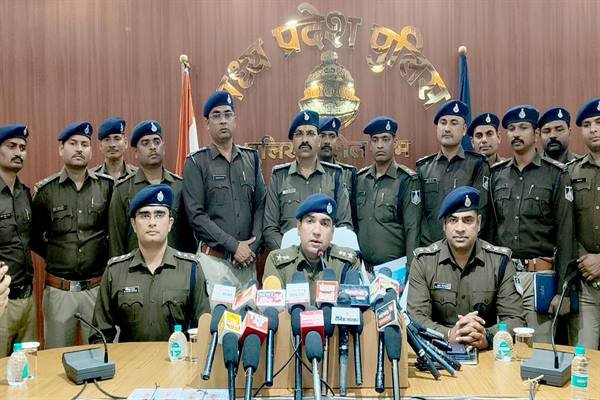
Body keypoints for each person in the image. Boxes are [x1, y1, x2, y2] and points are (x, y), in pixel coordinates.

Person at [489, 105, 576, 343]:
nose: (516, 134)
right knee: (503, 346)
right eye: (511, 129)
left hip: (540, 277)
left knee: (540, 348)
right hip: (505, 276)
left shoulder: (555, 174)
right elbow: (491, 232)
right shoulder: (497, 174)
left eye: (523, 128)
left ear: (536, 133)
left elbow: (566, 235)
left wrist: (563, 290)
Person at [408, 186, 524, 351]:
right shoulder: (423, 262)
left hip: (485, 353)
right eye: (453, 220)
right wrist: (449, 334)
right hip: (438, 351)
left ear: (479, 223)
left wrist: (486, 336)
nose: (460, 228)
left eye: (468, 220)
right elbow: (415, 319)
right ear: (444, 225)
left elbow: (515, 320)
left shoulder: (500, 262)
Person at [91, 184, 209, 343]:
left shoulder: (191, 269)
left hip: (177, 358)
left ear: (170, 223)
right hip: (130, 359)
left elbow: (203, 331)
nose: (152, 222)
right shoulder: (115, 271)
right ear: (134, 224)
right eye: (145, 215)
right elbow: (99, 336)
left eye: (159, 215)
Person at [31, 122, 113, 348]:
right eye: (73, 143)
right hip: (59, 291)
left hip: (96, 290)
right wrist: (57, 255)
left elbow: (114, 232)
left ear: (91, 150)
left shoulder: (106, 187)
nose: (79, 149)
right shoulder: (46, 191)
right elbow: (33, 236)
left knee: (99, 354)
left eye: (85, 144)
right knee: (56, 357)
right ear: (61, 149)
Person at [183, 91, 266, 290]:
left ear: (234, 120)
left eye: (227, 114)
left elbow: (261, 206)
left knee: (250, 312)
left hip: (247, 263)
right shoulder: (196, 162)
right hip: (214, 264)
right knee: (215, 313)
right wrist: (234, 246)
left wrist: (250, 248)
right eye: (216, 115)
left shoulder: (251, 159)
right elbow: (196, 216)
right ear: (207, 123)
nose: (223, 120)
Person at [263, 110, 353, 251]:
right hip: (288, 259)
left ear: (319, 140)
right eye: (299, 134)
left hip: (326, 260)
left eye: (310, 133)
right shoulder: (279, 177)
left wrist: (327, 256)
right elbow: (270, 228)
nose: (305, 140)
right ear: (293, 141)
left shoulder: (335, 176)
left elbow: (345, 226)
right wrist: (289, 256)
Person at [109, 120, 194, 257]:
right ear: (136, 152)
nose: (153, 147)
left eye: (156, 142)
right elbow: (116, 241)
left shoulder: (180, 186)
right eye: (145, 143)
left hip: (175, 267)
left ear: (163, 147)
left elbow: (189, 237)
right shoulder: (123, 190)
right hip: (135, 267)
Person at [417, 100, 490, 246]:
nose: (447, 128)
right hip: (431, 249)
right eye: (443, 123)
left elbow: (481, 211)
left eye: (454, 123)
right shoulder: (424, 168)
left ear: (464, 130)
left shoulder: (477, 165)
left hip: (465, 249)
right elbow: (419, 216)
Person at [263, 193, 361, 302]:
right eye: (310, 221)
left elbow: (354, 308)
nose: (317, 231)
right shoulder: (277, 262)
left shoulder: (348, 262)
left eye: (325, 224)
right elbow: (273, 309)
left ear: (332, 232)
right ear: (299, 227)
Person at [355, 116, 421, 270]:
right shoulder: (360, 179)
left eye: (386, 139)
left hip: (395, 269)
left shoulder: (406, 180)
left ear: (395, 143)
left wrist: (411, 271)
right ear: (370, 145)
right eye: (375, 140)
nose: (380, 145)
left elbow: (413, 230)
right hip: (363, 269)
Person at [567, 98, 600, 349]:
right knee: (582, 358)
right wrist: (585, 261)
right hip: (586, 281)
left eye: (598, 122)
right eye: (587, 125)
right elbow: (566, 226)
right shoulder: (571, 172)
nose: (593, 129)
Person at [0, 124, 36, 356]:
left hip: (27, 299)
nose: (18, 152)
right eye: (11, 146)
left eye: (22, 148)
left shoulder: (25, 193)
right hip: (2, 302)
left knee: (27, 368)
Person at [318, 116, 357, 221]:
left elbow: (355, 214)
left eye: (332, 136)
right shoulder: (306, 172)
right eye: (322, 136)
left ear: (337, 140)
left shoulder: (348, 173)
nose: (327, 141)